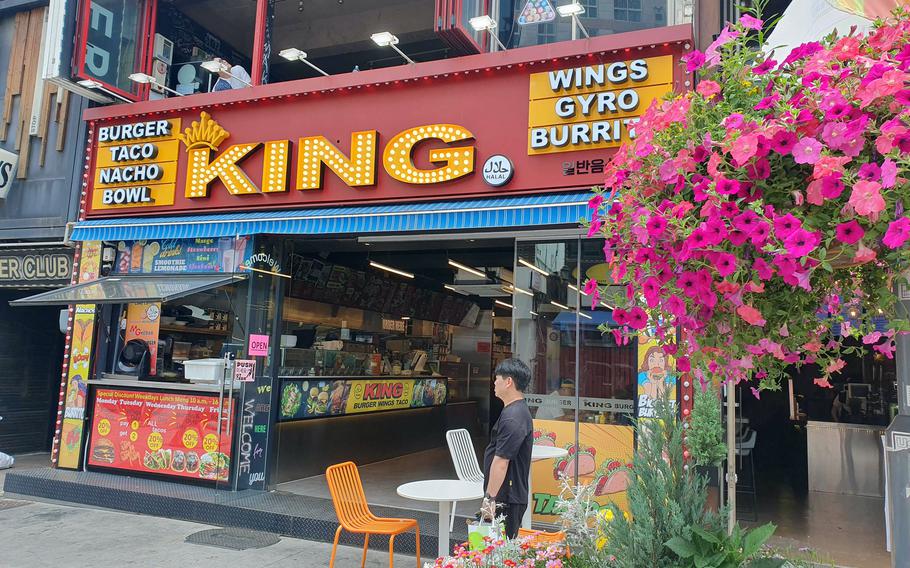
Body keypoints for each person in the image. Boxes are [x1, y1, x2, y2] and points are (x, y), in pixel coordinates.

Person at [480, 358, 533, 539]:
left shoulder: (513, 417)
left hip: (506, 499)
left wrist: (490, 499)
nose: (494, 382)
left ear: (508, 381)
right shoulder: (514, 411)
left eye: (497, 378)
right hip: (505, 497)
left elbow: (501, 461)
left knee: (499, 553)